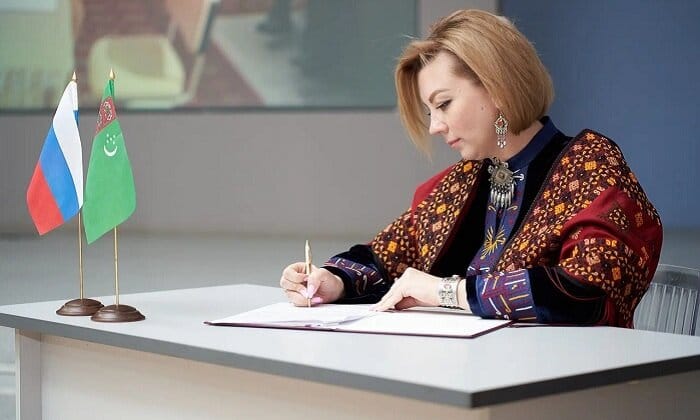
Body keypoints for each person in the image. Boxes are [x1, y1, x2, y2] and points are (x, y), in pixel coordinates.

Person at [279, 9, 662, 327]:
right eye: (429, 111)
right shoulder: (461, 183)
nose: (435, 126)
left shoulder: (588, 164)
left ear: (498, 87)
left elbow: (587, 290)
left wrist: (447, 291)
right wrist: (332, 280)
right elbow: (386, 256)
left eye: (443, 104)